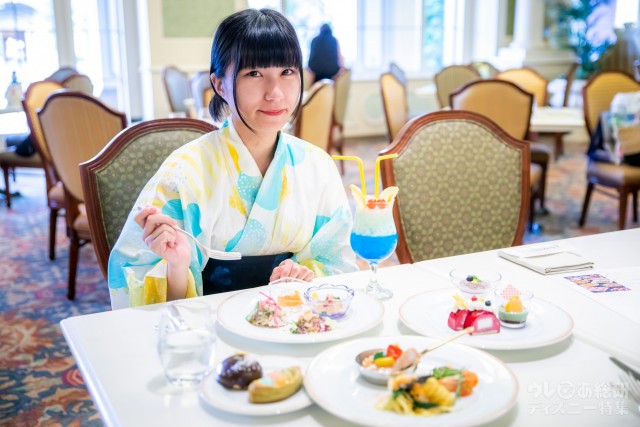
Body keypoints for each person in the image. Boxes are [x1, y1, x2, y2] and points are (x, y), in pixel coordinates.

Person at [107, 8, 357, 310]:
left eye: (287, 72)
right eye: (254, 74)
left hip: (293, 325)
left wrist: (304, 278)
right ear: (219, 83)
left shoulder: (318, 167)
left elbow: (338, 267)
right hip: (206, 327)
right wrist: (177, 266)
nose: (275, 93)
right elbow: (136, 288)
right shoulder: (183, 172)